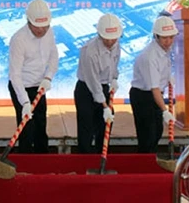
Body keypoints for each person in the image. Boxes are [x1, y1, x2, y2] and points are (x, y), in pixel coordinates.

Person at [8, 0, 58, 154]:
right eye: (37, 27)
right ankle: (24, 164)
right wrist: (24, 102)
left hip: (39, 85)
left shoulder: (49, 32)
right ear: (28, 21)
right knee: (26, 129)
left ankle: (42, 163)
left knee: (41, 125)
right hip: (21, 87)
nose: (41, 30)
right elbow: (14, 75)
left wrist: (48, 77)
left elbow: (53, 55)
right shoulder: (18, 40)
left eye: (45, 26)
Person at [74, 13, 122, 154]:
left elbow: (114, 64)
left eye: (113, 38)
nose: (110, 42)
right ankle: (84, 159)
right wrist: (105, 106)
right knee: (86, 127)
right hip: (86, 89)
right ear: (100, 35)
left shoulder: (116, 45)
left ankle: (101, 155)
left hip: (103, 86)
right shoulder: (90, 51)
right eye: (106, 39)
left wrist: (114, 78)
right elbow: (93, 82)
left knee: (105, 124)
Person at [130, 16, 177, 153]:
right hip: (143, 96)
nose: (168, 41)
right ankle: (143, 167)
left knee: (157, 132)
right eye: (164, 38)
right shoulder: (150, 56)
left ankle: (150, 161)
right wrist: (164, 110)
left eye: (171, 37)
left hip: (155, 95)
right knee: (148, 136)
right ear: (156, 36)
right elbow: (154, 89)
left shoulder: (164, 50)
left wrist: (168, 77)